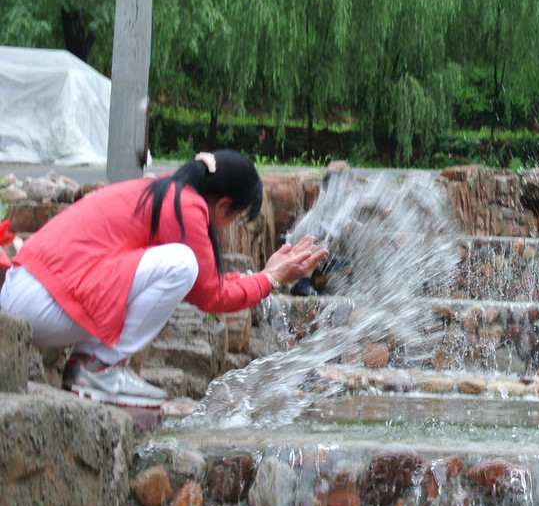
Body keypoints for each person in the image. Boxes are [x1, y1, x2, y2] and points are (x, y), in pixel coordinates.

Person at [0, 150, 328, 408]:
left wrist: (264, 275)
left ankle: (92, 366)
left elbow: (206, 285)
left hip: (26, 293)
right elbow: (211, 296)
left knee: (181, 266)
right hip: (40, 305)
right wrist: (271, 279)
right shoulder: (185, 206)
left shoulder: (163, 192)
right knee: (181, 264)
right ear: (225, 204)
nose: (227, 227)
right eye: (236, 217)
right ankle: (97, 367)